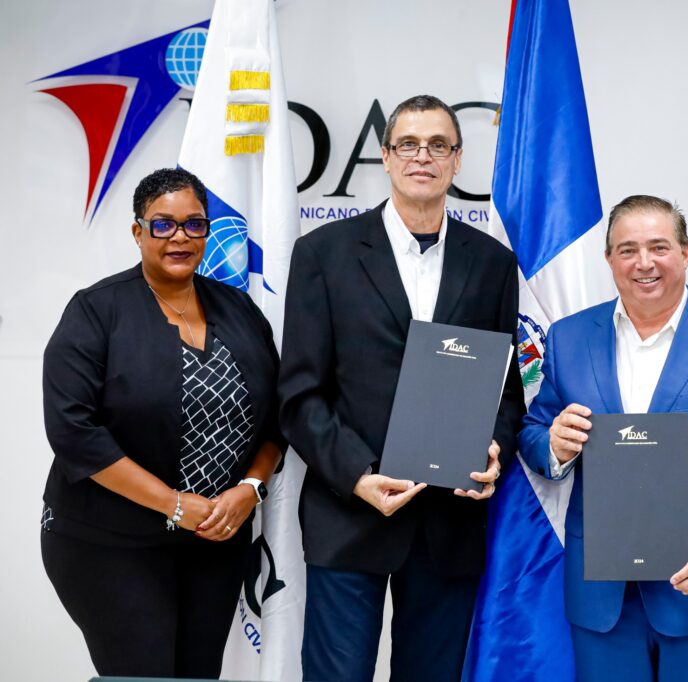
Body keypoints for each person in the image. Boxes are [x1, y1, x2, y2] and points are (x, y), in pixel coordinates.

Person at [278, 94, 525, 682]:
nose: (423, 156)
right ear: (385, 158)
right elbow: (299, 395)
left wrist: (492, 450)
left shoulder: (491, 263)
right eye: (408, 144)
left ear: (457, 161)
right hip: (349, 513)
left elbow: (506, 392)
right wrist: (358, 475)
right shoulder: (323, 254)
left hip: (449, 523)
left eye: (438, 145)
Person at [518, 194, 688, 681]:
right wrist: (554, 447)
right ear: (608, 261)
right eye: (627, 249)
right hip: (603, 602)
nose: (643, 262)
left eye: (659, 247)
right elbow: (535, 429)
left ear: (686, 253)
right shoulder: (568, 338)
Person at [41, 167, 285, 678]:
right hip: (110, 542)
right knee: (144, 676)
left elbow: (277, 420)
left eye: (195, 225)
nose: (180, 237)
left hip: (215, 543)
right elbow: (74, 434)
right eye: (163, 224)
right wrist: (175, 505)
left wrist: (250, 490)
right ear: (138, 231)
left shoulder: (239, 311)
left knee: (197, 677)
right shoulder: (96, 311)